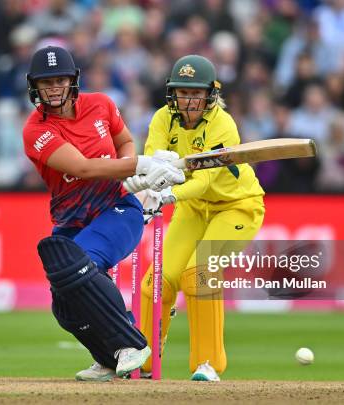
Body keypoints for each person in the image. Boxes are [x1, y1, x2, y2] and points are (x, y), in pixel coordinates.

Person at [21, 46, 185, 381]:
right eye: (46, 82)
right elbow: (82, 167)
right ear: (34, 87)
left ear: (72, 81)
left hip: (117, 209)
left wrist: (136, 179)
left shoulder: (101, 105)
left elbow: (124, 142)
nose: (53, 88)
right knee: (63, 301)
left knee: (85, 263)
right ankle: (107, 358)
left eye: (60, 80)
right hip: (72, 220)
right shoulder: (36, 131)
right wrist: (141, 165)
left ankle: (130, 343)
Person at [125, 55, 266, 381]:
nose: (188, 100)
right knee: (157, 280)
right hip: (194, 208)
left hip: (236, 206)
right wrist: (147, 183)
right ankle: (143, 360)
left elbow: (205, 181)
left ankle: (209, 364)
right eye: (182, 92)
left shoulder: (223, 125)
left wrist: (169, 193)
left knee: (198, 272)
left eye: (195, 93)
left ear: (210, 94)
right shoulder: (163, 118)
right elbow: (153, 161)